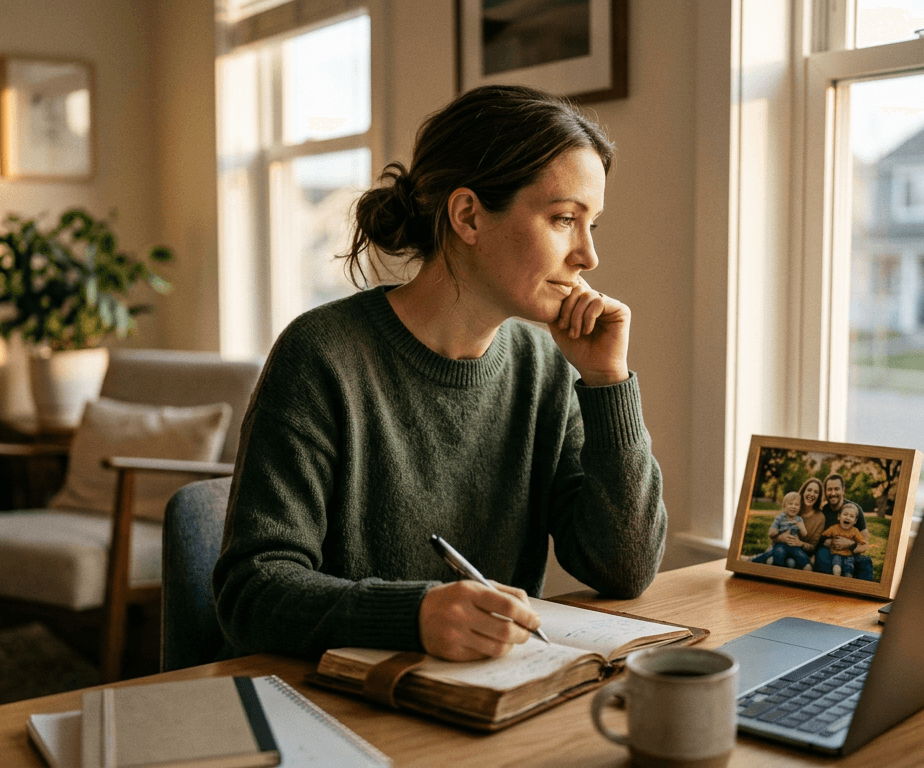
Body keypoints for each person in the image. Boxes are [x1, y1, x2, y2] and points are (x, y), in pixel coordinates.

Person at [212, 85, 668, 664]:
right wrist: (414, 616)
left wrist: (608, 385)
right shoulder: (322, 355)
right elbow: (250, 593)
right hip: (331, 703)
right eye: (563, 220)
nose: (587, 256)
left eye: (591, 225)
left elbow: (622, 566)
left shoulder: (546, 367)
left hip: (485, 698)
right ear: (468, 216)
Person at [751, 476, 824, 569]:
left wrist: (800, 543)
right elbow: (773, 534)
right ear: (803, 492)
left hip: (798, 550)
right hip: (780, 548)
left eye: (816, 492)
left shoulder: (819, 518)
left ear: (819, 496)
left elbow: (813, 546)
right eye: (809, 490)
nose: (812, 494)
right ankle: (756, 561)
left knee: (791, 563)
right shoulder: (790, 511)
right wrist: (780, 538)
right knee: (774, 560)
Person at [813, 473, 874, 580]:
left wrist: (850, 544)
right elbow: (817, 539)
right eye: (829, 489)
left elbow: (865, 543)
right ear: (825, 491)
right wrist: (831, 542)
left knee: (865, 562)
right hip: (829, 551)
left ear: (843, 490)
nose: (833, 493)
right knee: (823, 558)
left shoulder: (855, 509)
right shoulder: (822, 511)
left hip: (851, 553)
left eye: (836, 489)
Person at [819, 503, 869, 578]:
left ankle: (847, 580)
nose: (848, 518)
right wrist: (828, 541)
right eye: (845, 514)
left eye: (851, 516)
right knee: (836, 568)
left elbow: (862, 542)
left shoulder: (855, 531)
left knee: (848, 570)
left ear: (855, 521)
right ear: (839, 516)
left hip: (849, 556)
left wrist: (853, 544)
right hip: (836, 554)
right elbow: (823, 536)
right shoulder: (834, 528)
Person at [763, 491, 810, 569]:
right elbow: (771, 532)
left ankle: (807, 567)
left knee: (802, 555)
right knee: (779, 552)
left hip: (794, 545)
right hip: (781, 544)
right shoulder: (780, 518)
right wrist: (775, 531)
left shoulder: (799, 519)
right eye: (790, 504)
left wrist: (802, 527)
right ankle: (778, 570)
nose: (793, 506)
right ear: (784, 506)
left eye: (796, 504)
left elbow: (804, 534)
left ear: (799, 507)